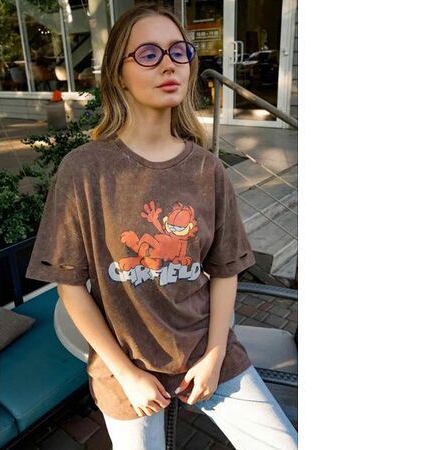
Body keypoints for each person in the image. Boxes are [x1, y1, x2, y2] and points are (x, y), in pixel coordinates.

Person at [25, 4, 298, 450]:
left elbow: (225, 271)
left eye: (179, 51)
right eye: (149, 54)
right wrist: (126, 374)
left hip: (207, 350)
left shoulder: (207, 170)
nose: (170, 63)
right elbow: (69, 283)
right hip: (125, 368)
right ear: (119, 74)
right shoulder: (85, 171)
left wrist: (214, 357)